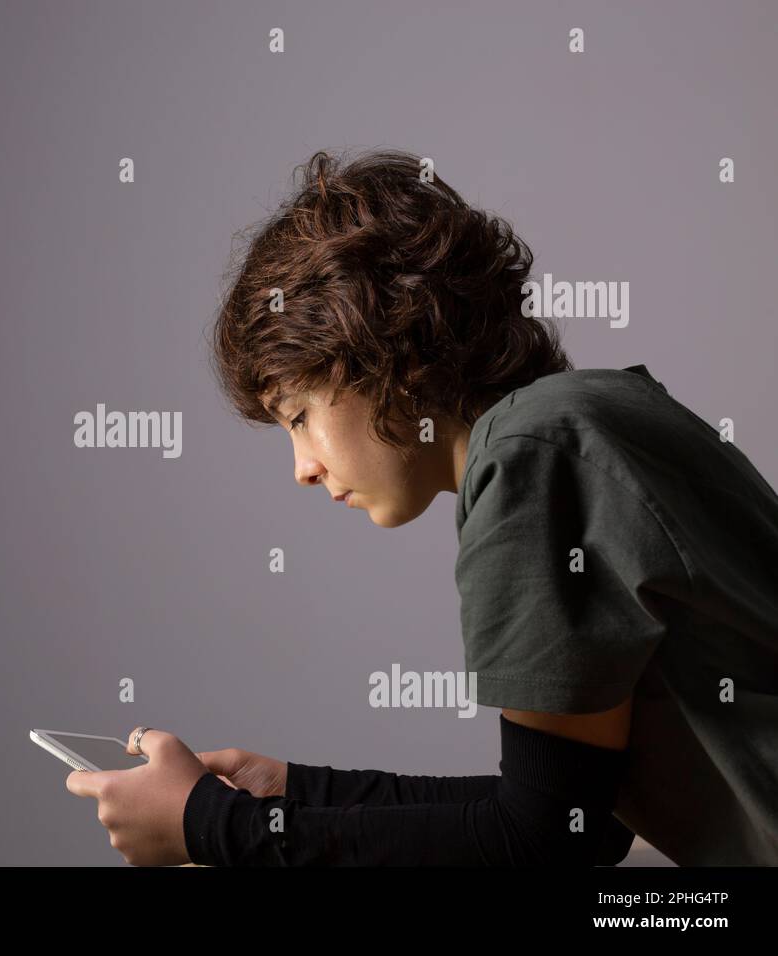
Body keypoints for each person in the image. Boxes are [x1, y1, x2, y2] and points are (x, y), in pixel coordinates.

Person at [65, 148, 778, 866]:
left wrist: (212, 829)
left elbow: (537, 845)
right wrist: (297, 796)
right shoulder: (582, 418)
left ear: (384, 359)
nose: (302, 469)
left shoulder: (534, 455)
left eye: (299, 416)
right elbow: (577, 817)